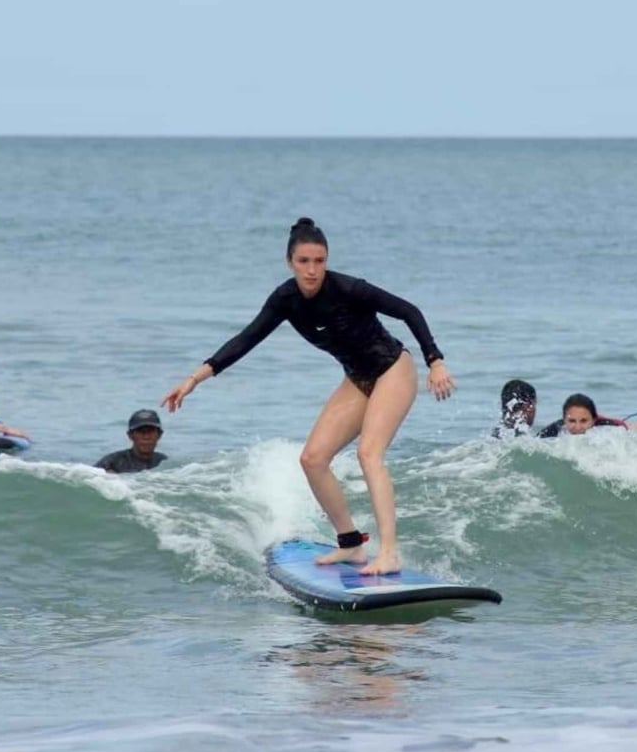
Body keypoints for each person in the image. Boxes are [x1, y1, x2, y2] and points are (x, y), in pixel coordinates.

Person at [161, 217, 455, 575]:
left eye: (319, 261)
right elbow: (247, 339)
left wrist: (435, 361)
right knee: (313, 459)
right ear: (290, 262)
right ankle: (351, 545)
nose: (312, 270)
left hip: (393, 369)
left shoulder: (349, 289)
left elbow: (409, 311)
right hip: (357, 378)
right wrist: (195, 378)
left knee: (369, 453)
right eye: (304, 262)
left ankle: (389, 552)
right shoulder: (285, 299)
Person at [538, 392, 637, 437]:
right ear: (564, 420)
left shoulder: (604, 425)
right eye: (572, 421)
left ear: (593, 420)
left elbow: (628, 428)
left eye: (583, 421)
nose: (577, 427)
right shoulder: (553, 430)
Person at [96, 409, 169, 474]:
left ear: (159, 435)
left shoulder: (164, 463)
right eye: (141, 432)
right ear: (130, 435)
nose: (146, 437)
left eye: (150, 431)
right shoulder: (111, 463)